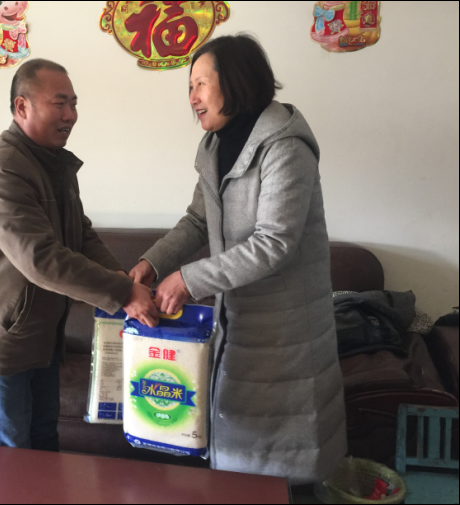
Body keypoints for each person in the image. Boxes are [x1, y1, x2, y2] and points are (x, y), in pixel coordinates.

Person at [129, 35, 347, 484]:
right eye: (190, 87)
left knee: (286, 463)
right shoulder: (214, 146)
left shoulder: (285, 144)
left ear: (235, 82)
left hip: (287, 330)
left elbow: (274, 242)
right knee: (236, 457)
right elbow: (197, 220)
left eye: (201, 84)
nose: (192, 97)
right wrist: (152, 263)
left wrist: (187, 280)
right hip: (236, 319)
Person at [0, 59, 158, 451]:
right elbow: (41, 259)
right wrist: (123, 293)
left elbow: (80, 234)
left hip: (41, 332)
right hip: (3, 337)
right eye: (60, 103)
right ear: (22, 107)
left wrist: (119, 276)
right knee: (9, 451)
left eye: (74, 104)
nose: (71, 115)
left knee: (44, 441)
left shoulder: (52, 163)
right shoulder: (2, 171)